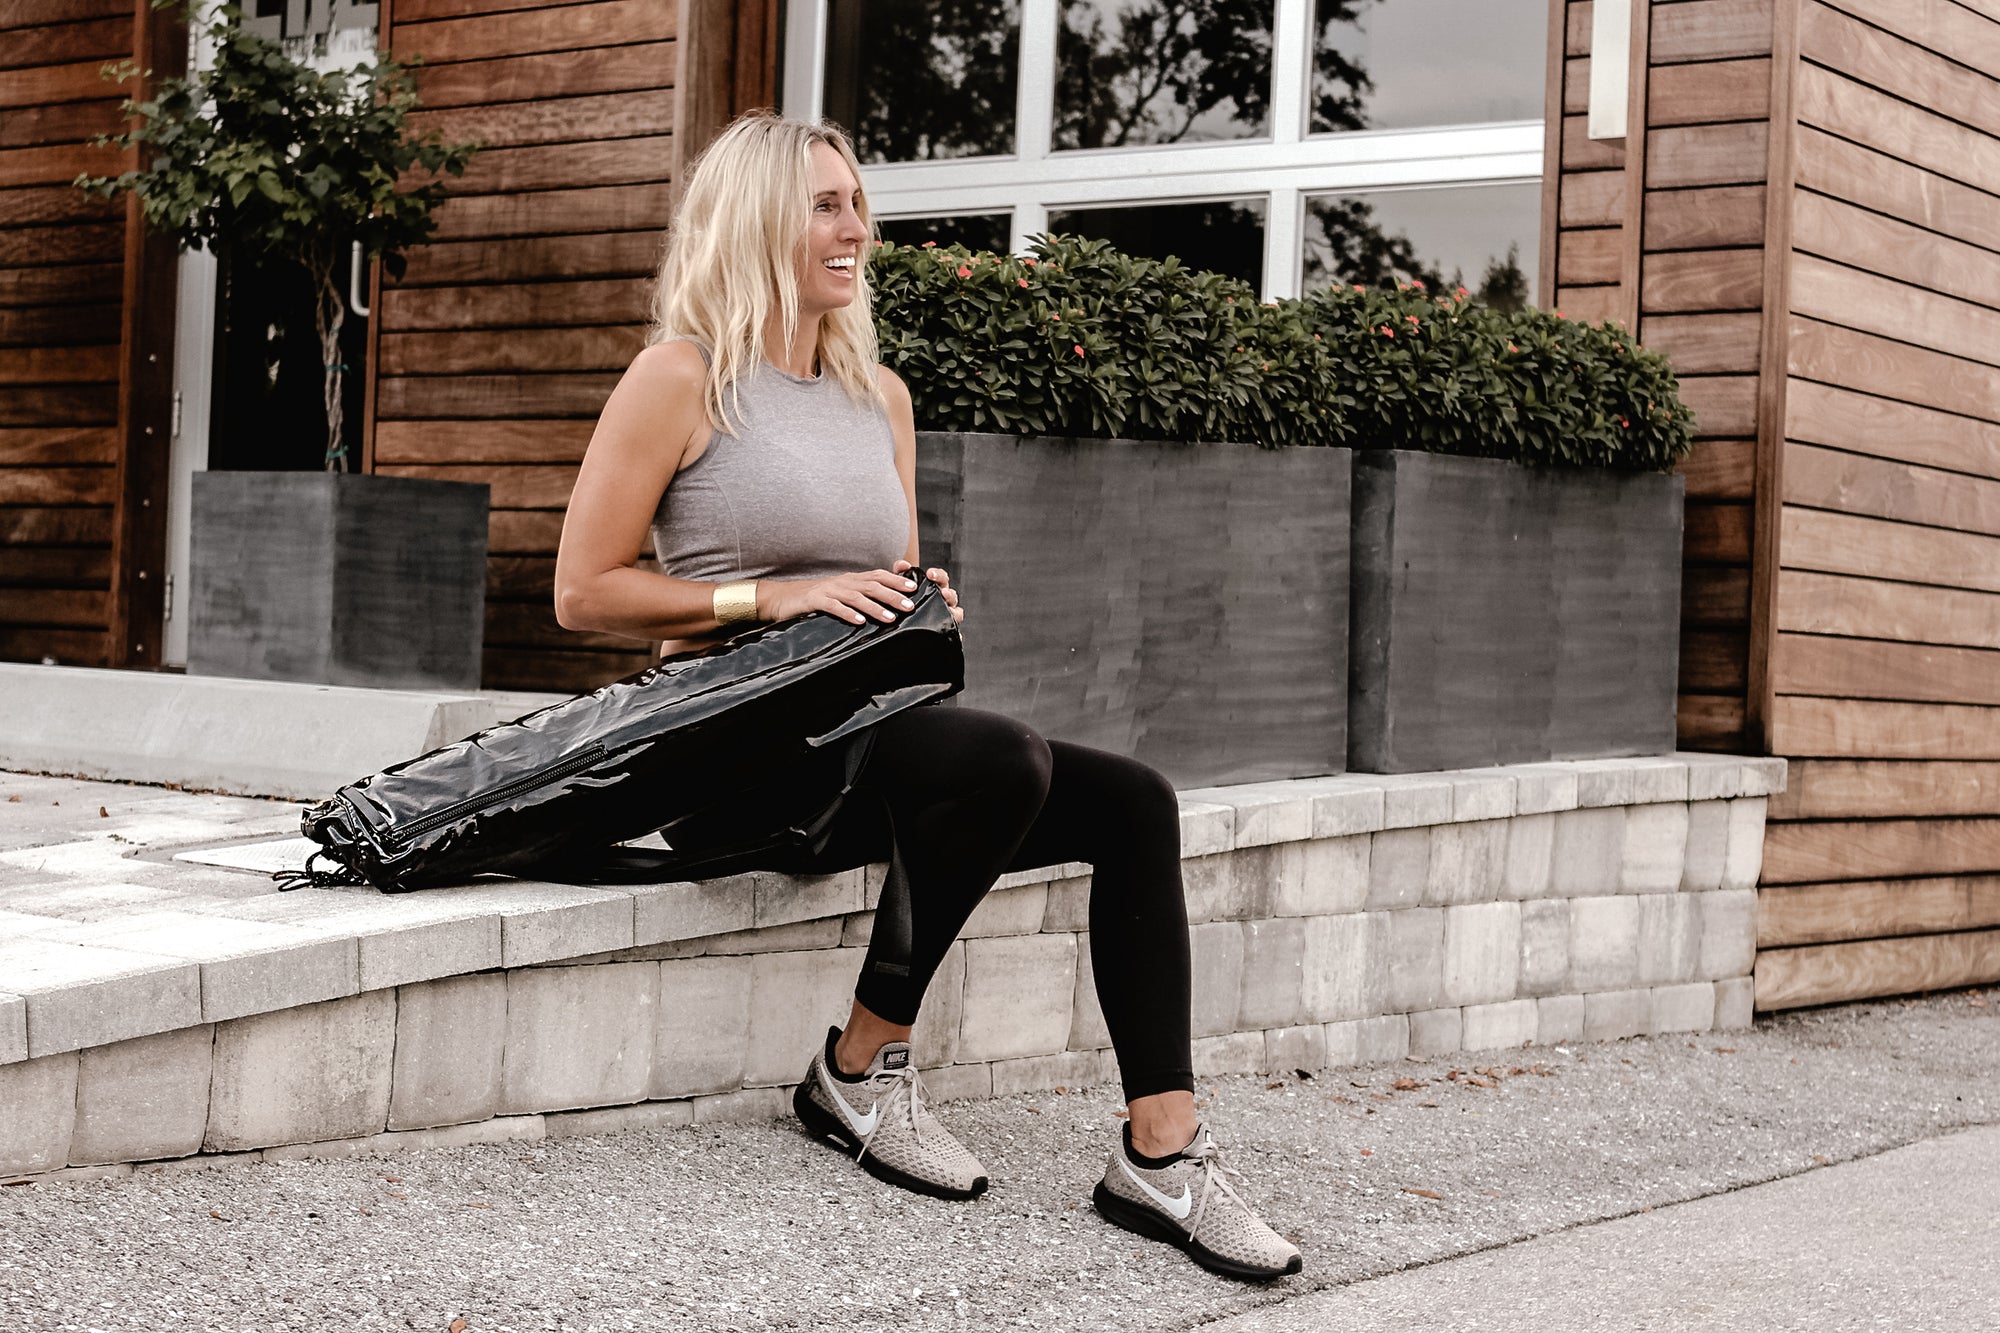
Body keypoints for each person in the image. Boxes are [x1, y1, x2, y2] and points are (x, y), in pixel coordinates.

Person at [552, 112, 1302, 1282]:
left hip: (862, 744)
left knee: (1132, 800)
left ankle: (1162, 1151)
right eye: (823, 205)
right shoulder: (680, 375)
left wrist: (912, 604)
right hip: (733, 759)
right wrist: (781, 594)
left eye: (856, 203)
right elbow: (583, 594)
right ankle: (858, 1070)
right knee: (998, 759)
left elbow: (875, 601)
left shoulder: (877, 396)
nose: (854, 227)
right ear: (754, 220)